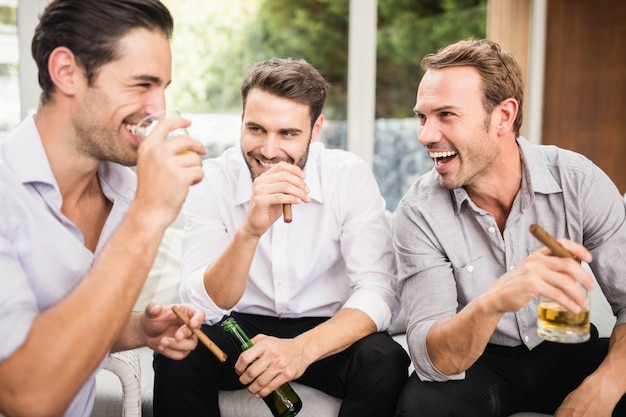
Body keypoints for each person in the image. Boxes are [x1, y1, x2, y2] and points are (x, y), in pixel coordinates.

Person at [153, 57, 410, 417]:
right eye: (256, 129)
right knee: (179, 349)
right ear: (241, 121)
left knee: (385, 359)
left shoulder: (347, 176)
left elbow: (379, 291)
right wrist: (250, 230)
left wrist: (301, 350)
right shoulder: (213, 180)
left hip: (325, 328)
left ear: (316, 128)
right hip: (238, 325)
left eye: (288, 134)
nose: (269, 151)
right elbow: (203, 305)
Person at [393, 38, 626, 416]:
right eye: (422, 117)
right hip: (479, 361)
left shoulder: (578, 181)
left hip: (567, 349)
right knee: (422, 404)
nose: (426, 135)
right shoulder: (419, 212)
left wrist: (608, 382)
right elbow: (431, 356)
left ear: (503, 116)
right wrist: (494, 301)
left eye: (446, 115)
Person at [0, 1, 208, 416]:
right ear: (66, 72)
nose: (157, 108)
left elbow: (67, 329)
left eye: (163, 87)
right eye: (141, 85)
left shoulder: (124, 185)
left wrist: (137, 329)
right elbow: (26, 395)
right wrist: (148, 218)